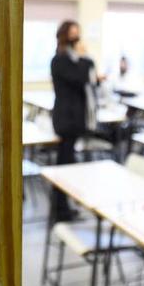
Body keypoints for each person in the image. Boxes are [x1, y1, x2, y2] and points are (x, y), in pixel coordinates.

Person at [50, 20, 99, 222]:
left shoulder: (71, 60)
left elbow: (87, 75)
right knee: (64, 166)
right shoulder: (61, 60)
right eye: (73, 34)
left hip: (72, 118)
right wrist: (84, 56)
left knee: (67, 163)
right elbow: (81, 77)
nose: (77, 38)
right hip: (66, 119)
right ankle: (61, 210)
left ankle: (63, 207)